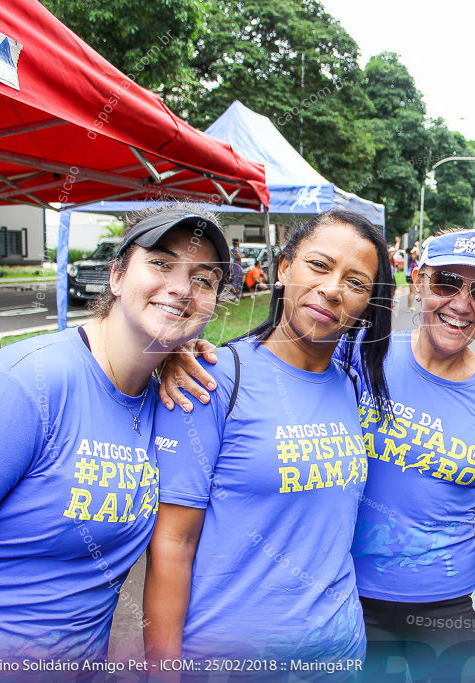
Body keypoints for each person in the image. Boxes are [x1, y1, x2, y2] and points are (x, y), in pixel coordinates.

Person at [0, 206, 229, 674]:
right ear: (117, 275)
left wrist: (171, 354)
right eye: (161, 264)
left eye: (204, 279)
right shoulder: (21, 387)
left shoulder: (163, 397)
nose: (182, 288)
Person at [143, 210, 395, 674]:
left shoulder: (352, 385)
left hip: (339, 653)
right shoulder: (209, 379)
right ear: (283, 268)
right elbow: (172, 545)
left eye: (356, 283)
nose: (333, 289)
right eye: (319, 266)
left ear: (368, 304)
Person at [349, 229, 475, 680]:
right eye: (446, 282)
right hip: (349, 593)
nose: (462, 304)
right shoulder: (365, 352)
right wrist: (185, 352)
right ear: (417, 284)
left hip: (450, 604)